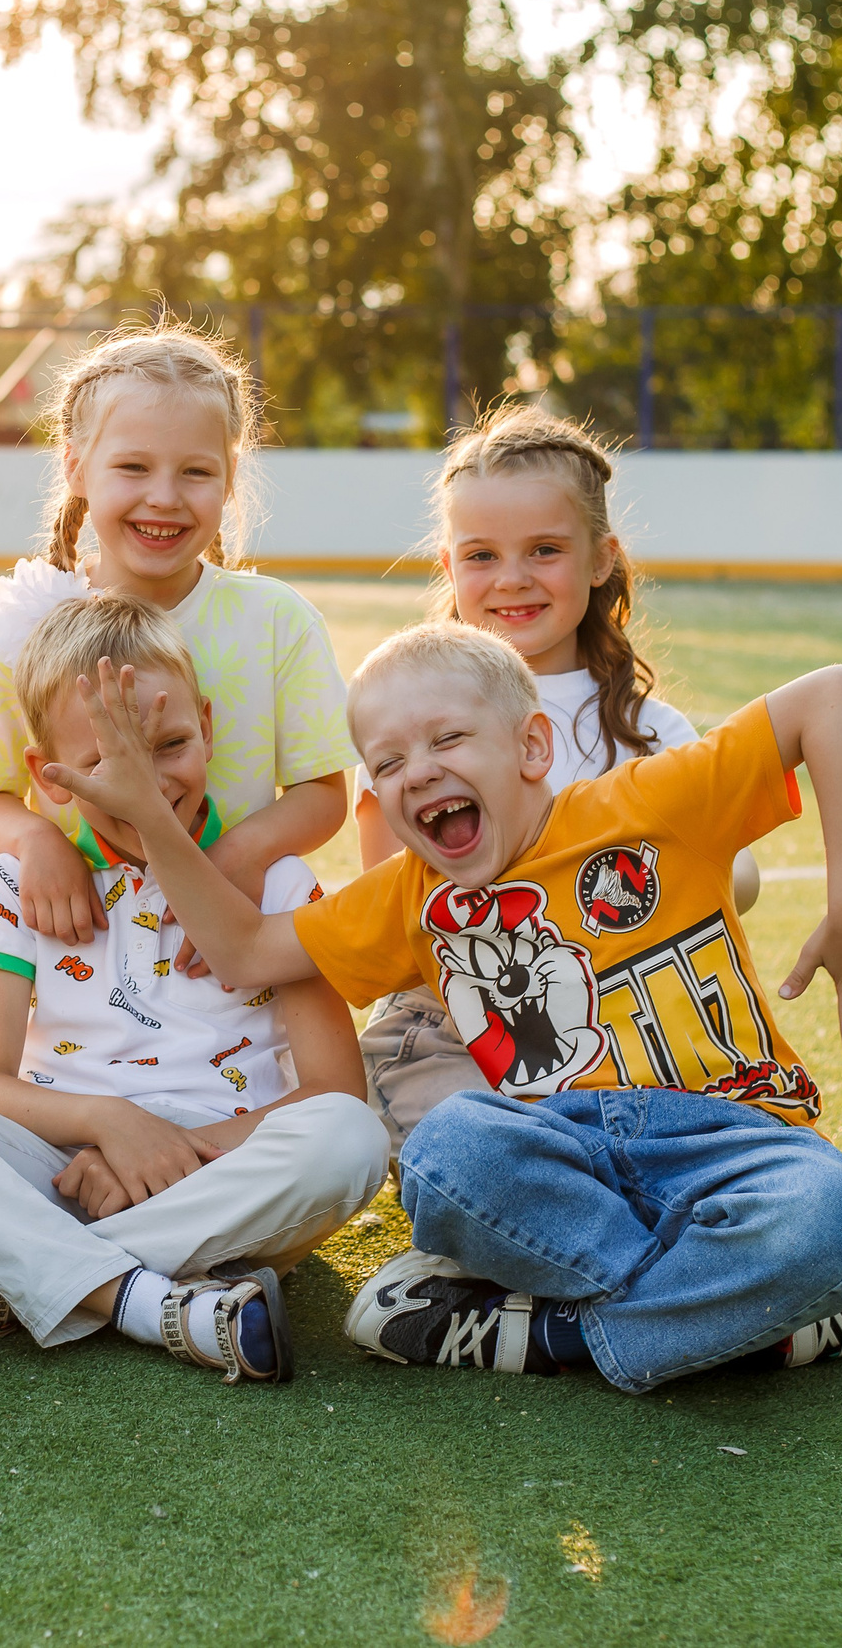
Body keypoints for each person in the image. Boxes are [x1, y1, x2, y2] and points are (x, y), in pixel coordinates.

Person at [38, 620, 842, 1393]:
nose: (416, 772)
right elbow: (242, 950)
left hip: (725, 1134)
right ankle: (787, 1320)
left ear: (529, 747)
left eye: (446, 740)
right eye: (387, 762)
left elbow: (839, 692)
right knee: (445, 1158)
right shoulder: (405, 894)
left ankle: (550, 1334)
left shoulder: (646, 802)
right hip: (549, 1147)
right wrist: (152, 817)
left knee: (827, 1213)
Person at [0, 595, 386, 1381]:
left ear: (211, 727)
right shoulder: (20, 879)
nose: (143, 788)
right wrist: (107, 1124)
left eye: (171, 744)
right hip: (55, 1165)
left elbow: (334, 1090)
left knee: (349, 1141)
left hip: (220, 1170)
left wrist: (166, 1153)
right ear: (44, 777)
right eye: (105, 765)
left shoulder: (277, 882)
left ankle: (4, 1283)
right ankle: (155, 1303)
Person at [354, 405, 763, 1154]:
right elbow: (392, 898)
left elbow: (739, 875)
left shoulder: (648, 730)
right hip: (453, 1025)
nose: (511, 579)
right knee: (479, 1151)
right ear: (447, 565)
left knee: (684, 1148)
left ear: (601, 558)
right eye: (480, 555)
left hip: (618, 1014)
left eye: (544, 549)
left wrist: (623, 881)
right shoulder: (405, 717)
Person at [0, 324, 355, 987]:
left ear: (230, 477)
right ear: (75, 466)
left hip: (230, 951)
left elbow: (323, 793)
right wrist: (35, 840)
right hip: (87, 960)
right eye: (133, 467)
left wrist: (232, 860)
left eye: (196, 471)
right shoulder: (19, 623)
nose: (164, 496)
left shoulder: (277, 620)